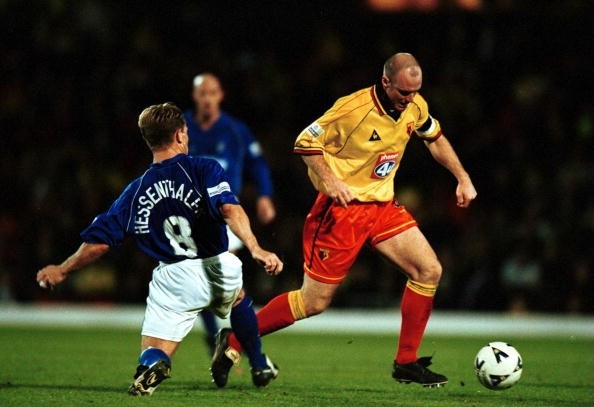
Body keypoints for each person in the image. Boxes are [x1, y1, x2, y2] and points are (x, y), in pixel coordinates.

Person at [211, 52, 477, 388]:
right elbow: (305, 141)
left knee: (429, 270)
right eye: (403, 92)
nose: (410, 99)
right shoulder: (351, 110)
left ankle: (406, 362)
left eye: (415, 91)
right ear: (385, 82)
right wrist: (331, 179)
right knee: (313, 302)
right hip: (341, 212)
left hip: (381, 207)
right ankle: (234, 339)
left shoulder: (415, 106)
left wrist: (462, 176)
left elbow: (434, 138)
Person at [36, 102, 283, 395]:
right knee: (239, 299)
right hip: (219, 265)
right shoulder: (204, 168)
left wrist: (63, 269)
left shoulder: (135, 191)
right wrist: (255, 248)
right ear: (180, 135)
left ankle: (153, 364)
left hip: (173, 280)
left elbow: (99, 243)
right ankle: (256, 361)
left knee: (153, 352)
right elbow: (231, 209)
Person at [184, 72, 277, 354]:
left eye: (212, 93)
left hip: (225, 212)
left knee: (223, 278)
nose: (208, 99)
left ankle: (240, 348)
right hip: (187, 213)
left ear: (220, 96)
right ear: (195, 97)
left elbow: (257, 163)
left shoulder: (235, 130)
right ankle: (220, 339)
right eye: (203, 93)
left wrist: (265, 196)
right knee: (201, 282)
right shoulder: (182, 127)